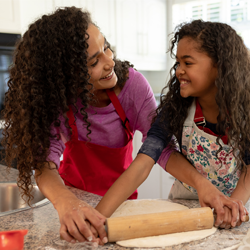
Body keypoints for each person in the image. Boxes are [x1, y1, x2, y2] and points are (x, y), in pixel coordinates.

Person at [2, 6, 178, 245]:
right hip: (73, 203)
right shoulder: (59, 102)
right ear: (67, 78)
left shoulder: (132, 88)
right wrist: (66, 203)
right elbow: (45, 165)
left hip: (122, 205)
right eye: (94, 61)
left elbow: (162, 148)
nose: (110, 62)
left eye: (106, 47)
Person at [96, 20, 250, 230]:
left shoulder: (245, 111)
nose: (179, 71)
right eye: (178, 63)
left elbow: (248, 171)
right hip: (183, 208)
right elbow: (143, 163)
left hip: (231, 206)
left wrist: (232, 207)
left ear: (220, 66)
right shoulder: (176, 108)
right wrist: (96, 218)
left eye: (188, 63)